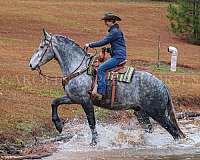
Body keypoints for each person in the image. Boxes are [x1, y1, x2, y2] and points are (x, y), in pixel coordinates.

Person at [85, 13, 126, 99]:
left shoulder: (114, 32)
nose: (105, 23)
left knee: (101, 68)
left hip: (118, 57)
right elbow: (119, 45)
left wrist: (90, 45)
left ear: (112, 21)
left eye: (106, 21)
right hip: (118, 54)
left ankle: (101, 92)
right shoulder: (115, 31)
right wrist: (108, 50)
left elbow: (104, 41)